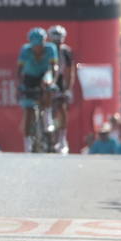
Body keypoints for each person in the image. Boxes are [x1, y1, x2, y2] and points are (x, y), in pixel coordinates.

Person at [17, 27, 58, 152]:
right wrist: (20, 85)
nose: (37, 48)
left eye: (39, 45)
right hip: (30, 77)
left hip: (45, 75)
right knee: (28, 110)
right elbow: (19, 71)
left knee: (47, 85)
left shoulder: (51, 48)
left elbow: (53, 67)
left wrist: (52, 81)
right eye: (35, 46)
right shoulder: (25, 50)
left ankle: (47, 116)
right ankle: (28, 143)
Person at [48, 24, 73, 153]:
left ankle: (62, 138)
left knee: (61, 106)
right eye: (55, 40)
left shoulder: (66, 51)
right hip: (46, 80)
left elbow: (69, 72)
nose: (57, 43)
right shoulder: (46, 49)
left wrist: (67, 89)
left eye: (59, 40)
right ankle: (47, 134)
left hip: (60, 82)